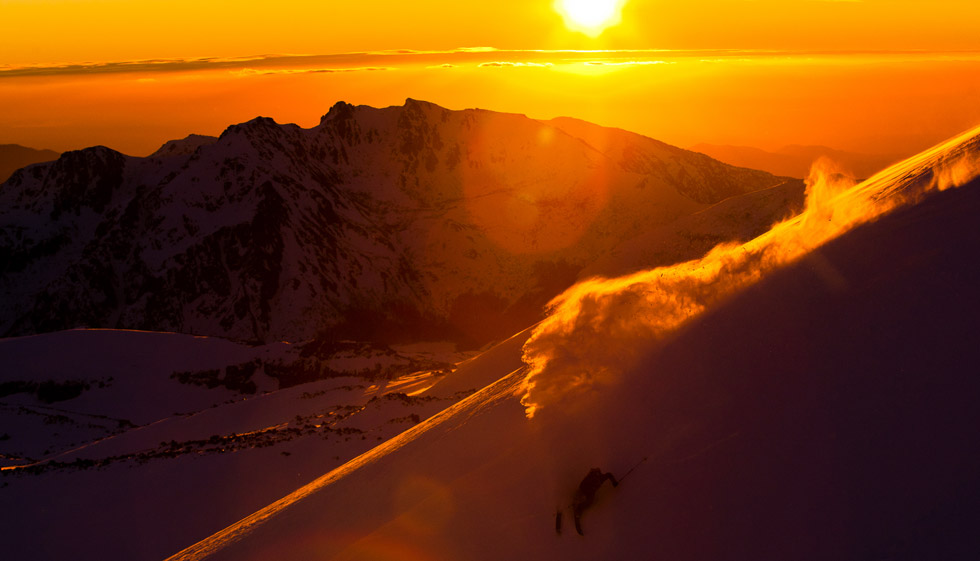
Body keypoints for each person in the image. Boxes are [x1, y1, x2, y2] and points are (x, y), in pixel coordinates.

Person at [571, 467, 618, 536]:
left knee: (590, 501)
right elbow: (581, 488)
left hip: (590, 493)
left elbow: (608, 475)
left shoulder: (601, 478)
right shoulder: (586, 482)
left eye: (597, 476)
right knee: (585, 501)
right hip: (584, 491)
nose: (596, 479)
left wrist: (614, 482)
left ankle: (579, 509)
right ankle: (578, 510)